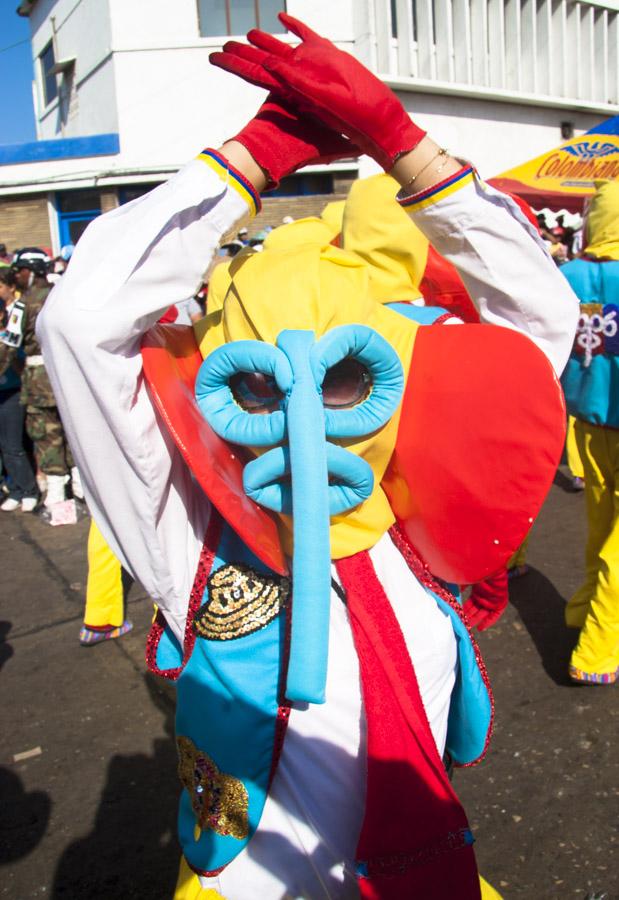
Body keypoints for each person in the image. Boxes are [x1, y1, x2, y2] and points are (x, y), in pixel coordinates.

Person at [39, 14, 577, 899]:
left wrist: (407, 150)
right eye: (258, 386)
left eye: (343, 383)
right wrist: (248, 159)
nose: (297, 416)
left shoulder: (421, 534)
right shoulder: (194, 544)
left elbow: (535, 332)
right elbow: (81, 321)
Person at [560, 179, 619, 684]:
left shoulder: (567, 276)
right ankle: (597, 648)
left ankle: (582, 606)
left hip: (587, 420)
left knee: (602, 526)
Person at [10, 248, 81, 510]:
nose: (16, 276)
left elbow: (8, 346)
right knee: (73, 429)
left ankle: (57, 493)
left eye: (19, 271)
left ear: (29, 271)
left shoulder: (23, 304)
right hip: (68, 377)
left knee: (45, 433)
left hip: (40, 380)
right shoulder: (63, 296)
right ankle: (80, 486)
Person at [0, 266, 38, 511]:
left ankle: (28, 489)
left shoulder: (15, 320)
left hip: (13, 391)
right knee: (5, 446)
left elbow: (16, 357)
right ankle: (14, 488)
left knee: (14, 445)